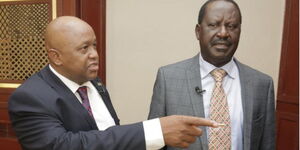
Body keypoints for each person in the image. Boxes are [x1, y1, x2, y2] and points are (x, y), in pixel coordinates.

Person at [8, 16, 220, 150]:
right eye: (84, 49)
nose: (94, 55)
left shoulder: (94, 83)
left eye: (95, 45)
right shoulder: (30, 98)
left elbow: (108, 133)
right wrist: (153, 131)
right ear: (56, 57)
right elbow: (65, 145)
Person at [148, 0, 276, 150]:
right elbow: (154, 142)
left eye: (231, 26)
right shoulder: (167, 78)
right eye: (213, 25)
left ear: (240, 31)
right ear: (198, 31)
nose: (223, 33)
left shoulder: (262, 84)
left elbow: (267, 144)